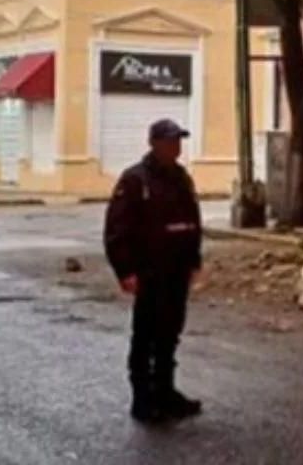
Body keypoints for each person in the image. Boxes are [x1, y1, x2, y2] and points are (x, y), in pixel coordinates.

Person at [104, 118, 204, 423]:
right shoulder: (135, 180)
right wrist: (125, 271)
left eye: (178, 141)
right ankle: (143, 400)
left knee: (169, 335)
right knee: (146, 336)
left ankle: (166, 392)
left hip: (176, 271)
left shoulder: (180, 178)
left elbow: (191, 221)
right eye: (170, 141)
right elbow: (117, 229)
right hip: (150, 272)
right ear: (154, 144)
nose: (175, 147)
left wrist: (194, 261)